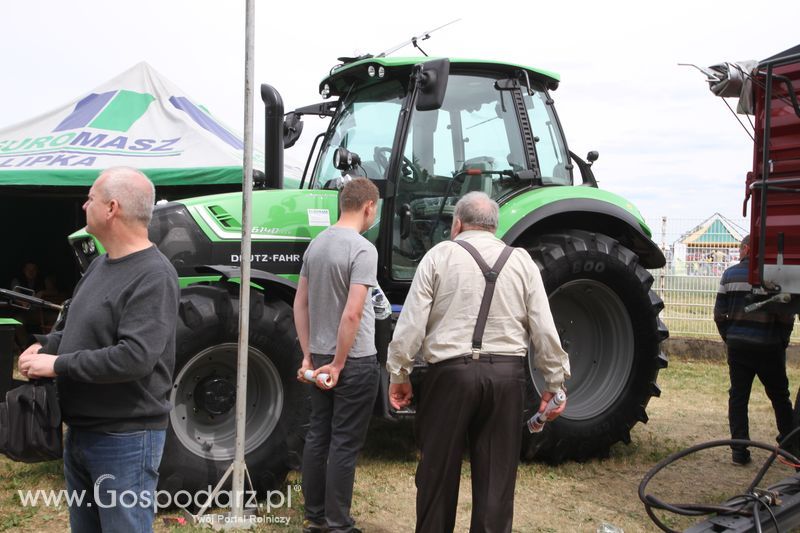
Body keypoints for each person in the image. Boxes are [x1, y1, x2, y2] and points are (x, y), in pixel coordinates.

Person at [386, 191, 571, 533]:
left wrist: (400, 374)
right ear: (495, 227)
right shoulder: (521, 261)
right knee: (496, 483)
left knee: (436, 477)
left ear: (457, 224)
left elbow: (411, 324)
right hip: (506, 378)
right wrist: (554, 383)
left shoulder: (439, 255)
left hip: (449, 377)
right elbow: (545, 329)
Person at [18, 167, 180, 533]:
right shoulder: (98, 267)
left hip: (125, 438)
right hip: (82, 433)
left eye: (90, 198)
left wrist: (57, 365)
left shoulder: (154, 275)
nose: (83, 204)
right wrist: (42, 347)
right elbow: (74, 330)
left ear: (111, 208)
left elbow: (134, 357)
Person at [294, 177, 381, 533]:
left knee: (318, 435)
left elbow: (300, 304)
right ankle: (339, 524)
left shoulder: (317, 245)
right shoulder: (362, 249)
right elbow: (353, 313)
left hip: (319, 355)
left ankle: (315, 515)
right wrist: (341, 363)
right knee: (344, 441)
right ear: (368, 208)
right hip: (353, 360)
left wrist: (308, 356)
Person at [714, 234, 795, 465]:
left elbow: (719, 314)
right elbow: (787, 316)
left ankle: (740, 452)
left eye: (740, 250)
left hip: (739, 348)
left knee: (738, 398)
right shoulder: (773, 276)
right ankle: (789, 447)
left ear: (747, 249)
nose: (739, 254)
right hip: (769, 347)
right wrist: (781, 341)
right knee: (780, 397)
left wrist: (729, 338)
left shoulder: (729, 275)